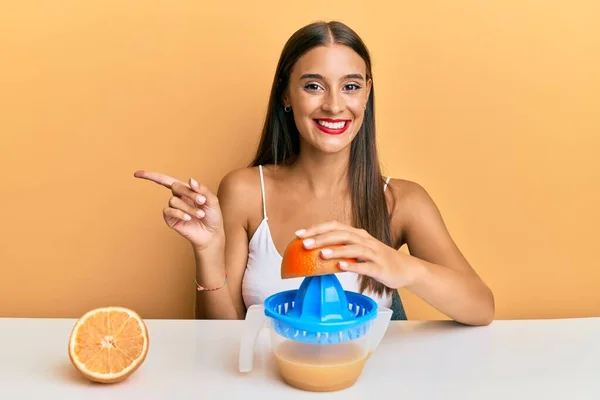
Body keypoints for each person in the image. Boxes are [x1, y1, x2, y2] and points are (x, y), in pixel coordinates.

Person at [134, 20, 495, 326]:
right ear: (286, 96)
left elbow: (481, 308)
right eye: (313, 86)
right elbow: (222, 337)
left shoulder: (402, 201)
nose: (335, 105)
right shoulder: (245, 191)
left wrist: (402, 266)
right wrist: (209, 251)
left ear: (367, 94)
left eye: (351, 86)